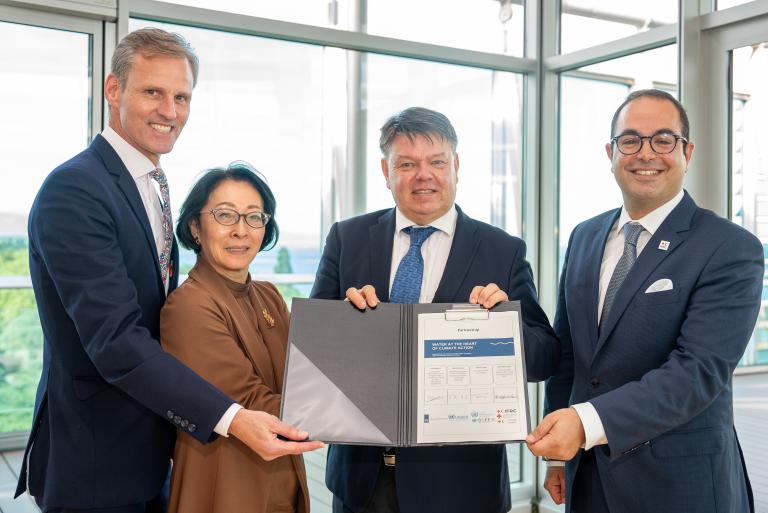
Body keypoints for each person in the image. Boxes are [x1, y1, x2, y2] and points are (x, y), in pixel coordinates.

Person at [16, 28, 321, 513]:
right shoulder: (76, 190)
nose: (170, 111)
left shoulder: (150, 185)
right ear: (114, 91)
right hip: (97, 457)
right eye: (153, 92)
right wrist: (234, 419)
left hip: (155, 450)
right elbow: (116, 342)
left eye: (181, 96)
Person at [311, 106, 560, 513]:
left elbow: (546, 357)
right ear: (385, 171)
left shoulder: (502, 250)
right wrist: (342, 322)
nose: (423, 175)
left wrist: (502, 326)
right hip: (361, 482)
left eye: (437, 162)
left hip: (461, 487)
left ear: (456, 166)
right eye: (406, 164)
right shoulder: (347, 238)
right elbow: (313, 348)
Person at [527, 89, 762, 513]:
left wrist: (585, 424)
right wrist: (556, 454)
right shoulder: (584, 236)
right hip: (590, 477)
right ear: (611, 152)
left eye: (664, 139)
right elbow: (570, 359)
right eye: (630, 140)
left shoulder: (730, 247)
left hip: (679, 486)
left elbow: (698, 372)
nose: (646, 153)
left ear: (687, 152)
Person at [160, 163, 309, 513]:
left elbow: (304, 379)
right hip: (225, 485)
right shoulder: (188, 306)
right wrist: (359, 409)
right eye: (225, 215)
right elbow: (249, 401)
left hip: (282, 476)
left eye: (254, 217)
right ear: (195, 226)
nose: (241, 230)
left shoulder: (269, 295)